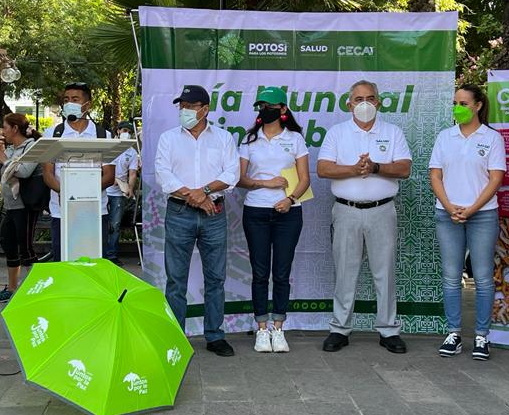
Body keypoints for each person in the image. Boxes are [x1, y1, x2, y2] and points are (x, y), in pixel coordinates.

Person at [317, 80, 412, 353]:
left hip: (382, 210)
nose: (365, 104)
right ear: (349, 105)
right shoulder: (337, 133)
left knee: (385, 272)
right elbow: (323, 168)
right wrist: (355, 169)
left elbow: (404, 168)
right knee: (345, 272)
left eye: (370, 98)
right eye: (359, 99)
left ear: (378, 102)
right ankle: (340, 329)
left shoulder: (392, 132)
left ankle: (388, 330)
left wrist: (375, 167)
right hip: (346, 211)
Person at [155, 85, 240, 357]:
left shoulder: (223, 138)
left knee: (215, 278)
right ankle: (176, 338)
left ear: (204, 109)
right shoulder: (168, 138)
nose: (184, 111)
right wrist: (195, 197)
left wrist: (203, 192)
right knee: (175, 280)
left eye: (190, 106)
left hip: (213, 213)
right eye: (181, 106)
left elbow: (232, 174)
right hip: (179, 212)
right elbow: (163, 174)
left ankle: (215, 335)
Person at [429, 84, 506, 361]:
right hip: (447, 214)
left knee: (483, 277)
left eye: (463, 103)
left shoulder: (492, 138)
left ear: (478, 105)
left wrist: (472, 209)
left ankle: (482, 336)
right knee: (451, 277)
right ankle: (453, 333)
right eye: (455, 103)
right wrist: (450, 207)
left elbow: (495, 179)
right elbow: (435, 175)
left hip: (482, 215)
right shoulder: (445, 137)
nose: (458, 108)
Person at [237, 86, 310, 354]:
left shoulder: (295, 139)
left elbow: (305, 179)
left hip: (288, 214)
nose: (264, 110)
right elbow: (240, 179)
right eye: (261, 106)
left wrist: (289, 199)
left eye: (270, 106)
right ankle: (261, 329)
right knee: (259, 273)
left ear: (282, 109)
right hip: (255, 212)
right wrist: (265, 183)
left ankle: (278, 328)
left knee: (281, 273)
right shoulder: (249, 140)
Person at [40, 83, 115, 261]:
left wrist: (82, 194)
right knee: (64, 264)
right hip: (62, 213)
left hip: (95, 212)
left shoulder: (103, 136)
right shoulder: (52, 134)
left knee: (95, 264)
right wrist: (66, 193)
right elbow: (48, 174)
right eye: (66, 100)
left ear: (88, 105)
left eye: (75, 99)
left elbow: (109, 176)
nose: (69, 103)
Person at [0, 113, 42, 302]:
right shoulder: (11, 149)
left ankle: (37, 289)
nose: (2, 132)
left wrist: (5, 159)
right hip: (11, 205)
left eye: (5, 127)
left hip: (25, 204)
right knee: (8, 242)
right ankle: (12, 289)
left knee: (25, 248)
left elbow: (25, 172)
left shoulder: (32, 146)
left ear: (15, 128)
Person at [104, 121, 139, 265]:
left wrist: (130, 188)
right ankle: (99, 254)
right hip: (103, 191)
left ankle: (111, 255)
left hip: (119, 193)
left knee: (115, 224)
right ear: (117, 131)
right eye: (124, 130)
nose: (127, 134)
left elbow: (132, 173)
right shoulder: (108, 147)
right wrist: (108, 179)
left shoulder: (132, 153)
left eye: (129, 132)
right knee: (100, 222)